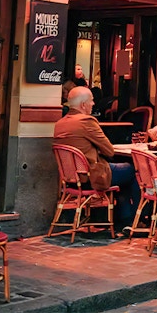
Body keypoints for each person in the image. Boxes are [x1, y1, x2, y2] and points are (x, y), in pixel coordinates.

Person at [54, 87, 140, 231]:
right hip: (91, 177)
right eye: (92, 101)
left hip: (71, 179)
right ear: (83, 105)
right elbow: (109, 150)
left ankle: (124, 218)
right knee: (132, 170)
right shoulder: (86, 121)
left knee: (123, 173)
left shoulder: (60, 123)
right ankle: (136, 220)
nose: (94, 104)